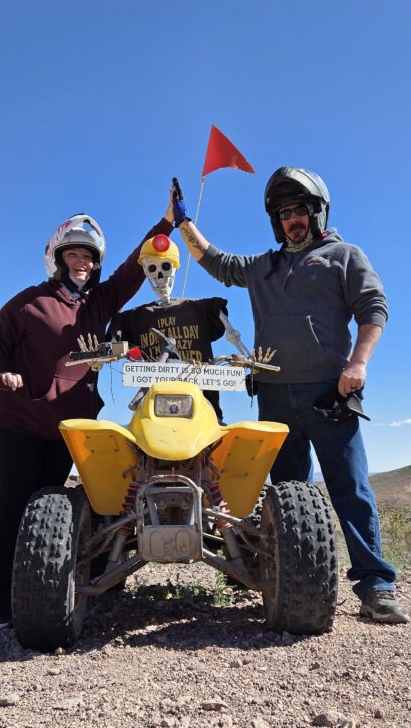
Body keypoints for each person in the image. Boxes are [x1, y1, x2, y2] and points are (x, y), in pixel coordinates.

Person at [172, 167, 409, 624]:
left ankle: (376, 586)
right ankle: (286, 576)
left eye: (300, 210)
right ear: (275, 221)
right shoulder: (265, 266)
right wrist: (183, 222)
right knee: (286, 493)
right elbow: (216, 262)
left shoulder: (344, 255)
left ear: (317, 212)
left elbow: (373, 309)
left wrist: (357, 364)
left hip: (329, 391)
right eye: (283, 213)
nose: (292, 219)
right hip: (274, 397)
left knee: (350, 487)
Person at [0, 206, 173, 630]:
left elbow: (132, 271)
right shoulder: (31, 302)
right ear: (57, 258)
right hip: (19, 418)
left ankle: (34, 590)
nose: (82, 262)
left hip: (67, 426)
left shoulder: (98, 303)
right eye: (73, 255)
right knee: (14, 504)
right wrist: (1, 375)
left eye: (88, 256)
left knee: (49, 508)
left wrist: (166, 223)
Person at [108, 232, 229, 421]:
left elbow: (227, 326)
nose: (160, 275)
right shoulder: (132, 318)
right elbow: (113, 343)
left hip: (203, 408)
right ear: (145, 272)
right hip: (153, 409)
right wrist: (109, 351)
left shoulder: (204, 308)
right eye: (152, 269)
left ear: (174, 268)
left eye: (165, 267)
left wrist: (243, 352)